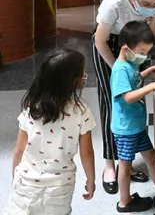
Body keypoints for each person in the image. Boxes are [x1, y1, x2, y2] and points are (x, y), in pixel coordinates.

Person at [93, 0, 155, 194]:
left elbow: (149, 35)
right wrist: (119, 70)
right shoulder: (114, 3)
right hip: (110, 46)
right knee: (112, 104)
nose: (151, 9)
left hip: (137, 48)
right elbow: (100, 41)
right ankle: (109, 164)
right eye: (146, 5)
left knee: (134, 104)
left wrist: (143, 67)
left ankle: (127, 159)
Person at [4, 49, 96, 215]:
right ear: (74, 81)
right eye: (83, 74)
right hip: (59, 187)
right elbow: (87, 152)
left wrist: (15, 176)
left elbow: (19, 149)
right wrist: (91, 179)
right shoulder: (81, 112)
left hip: (25, 183)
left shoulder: (31, 109)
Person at [111, 21, 155, 212]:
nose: (143, 56)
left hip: (136, 125)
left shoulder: (130, 64)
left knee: (152, 159)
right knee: (125, 165)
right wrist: (152, 86)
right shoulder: (120, 69)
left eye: (146, 52)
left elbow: (135, 81)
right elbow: (128, 97)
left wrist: (149, 72)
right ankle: (124, 202)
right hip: (126, 128)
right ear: (125, 48)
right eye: (142, 52)